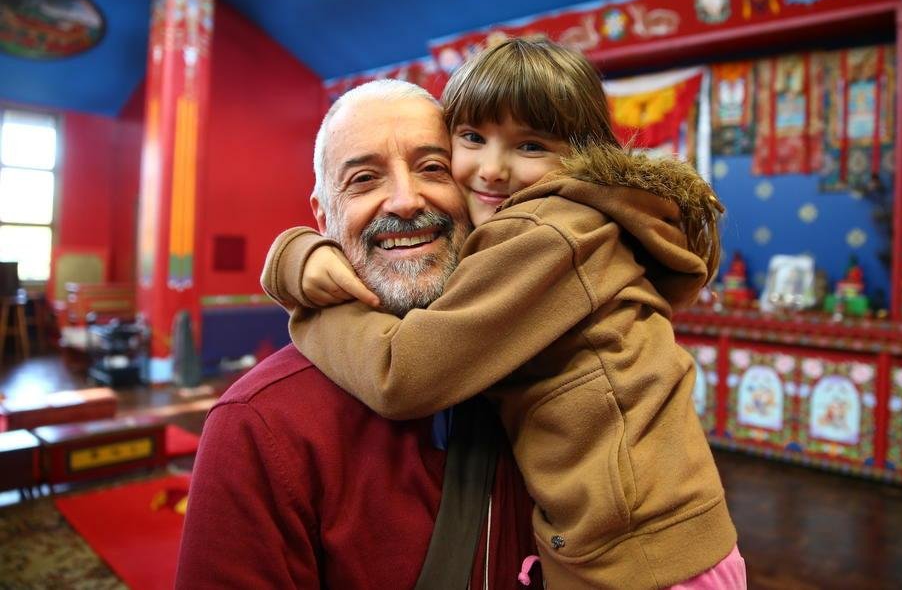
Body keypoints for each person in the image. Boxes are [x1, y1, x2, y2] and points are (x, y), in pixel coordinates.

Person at [263, 38, 745, 589]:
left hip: (650, 563)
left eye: (531, 146)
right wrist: (307, 250)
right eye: (472, 138)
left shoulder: (546, 232)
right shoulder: (561, 223)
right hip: (642, 547)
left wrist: (306, 299)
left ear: (581, 157)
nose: (492, 170)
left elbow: (404, 373)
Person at [176, 80, 538, 589]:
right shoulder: (259, 427)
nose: (406, 201)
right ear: (323, 217)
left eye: (433, 168)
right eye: (364, 179)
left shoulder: (549, 361)